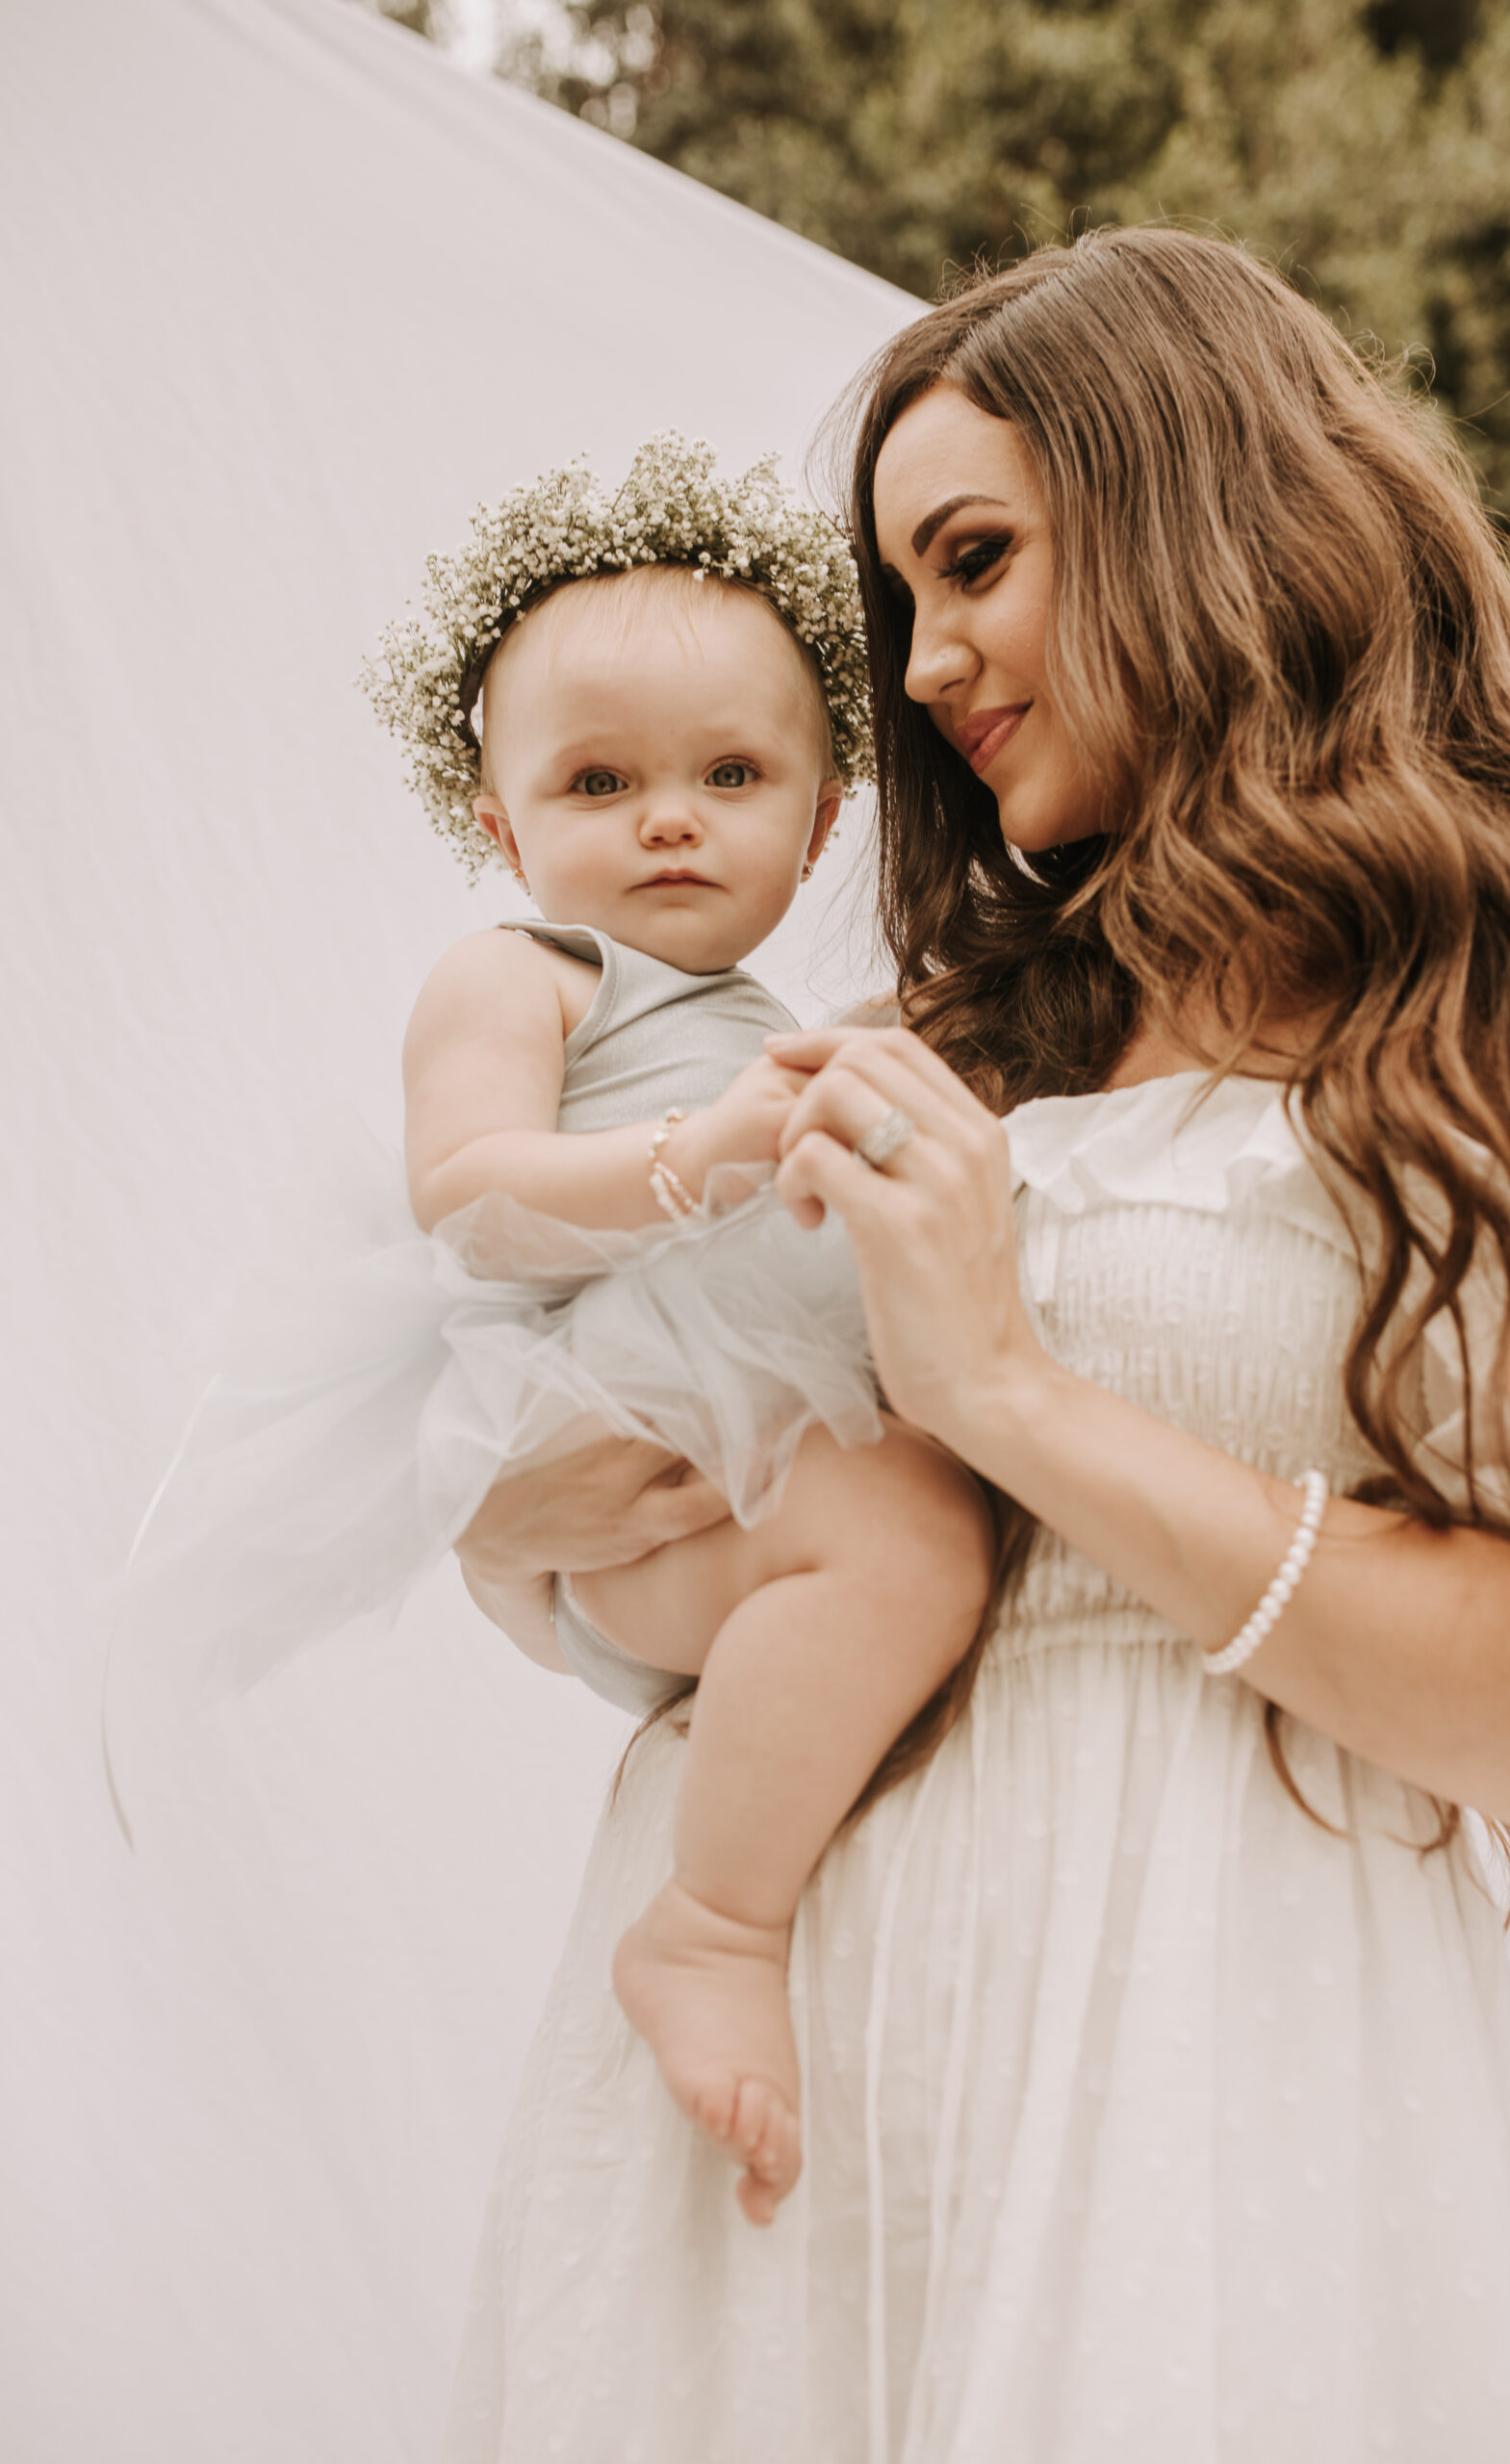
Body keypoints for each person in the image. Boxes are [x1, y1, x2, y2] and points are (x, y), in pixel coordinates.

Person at [442, 229, 1510, 2462]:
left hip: (1200, 2072)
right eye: (900, 599)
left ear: (1195, 507)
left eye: (972, 560)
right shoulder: (925, 1044)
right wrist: (539, 1516)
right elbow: (618, 1488)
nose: (919, 666)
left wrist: (1011, 1398)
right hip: (759, 2103)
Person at [116, 437, 994, 2228]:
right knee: (905, 1539)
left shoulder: (792, 1020)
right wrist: (710, 1150)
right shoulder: (531, 978)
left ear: (822, 817)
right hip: (636, 1492)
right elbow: (475, 1192)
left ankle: (775, 1861)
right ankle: (710, 1928)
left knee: (907, 1532)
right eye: (600, 781)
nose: (669, 818)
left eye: (730, 774)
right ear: (504, 829)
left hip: (745, 1495)